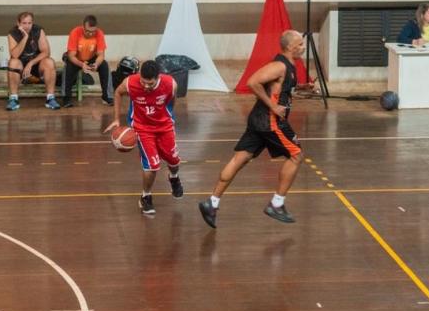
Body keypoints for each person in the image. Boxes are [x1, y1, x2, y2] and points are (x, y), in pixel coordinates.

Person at [198, 30, 305, 229]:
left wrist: (300, 89)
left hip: (259, 121)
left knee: (240, 159)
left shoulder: (289, 67)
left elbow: (277, 90)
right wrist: (272, 106)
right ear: (289, 46)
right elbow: (252, 82)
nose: (303, 47)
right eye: (299, 44)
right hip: (270, 122)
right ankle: (276, 204)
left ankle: (211, 203)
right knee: (296, 155)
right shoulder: (279, 66)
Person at [103, 60, 184, 216]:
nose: (146, 86)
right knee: (152, 166)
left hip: (165, 127)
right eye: (143, 82)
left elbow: (172, 101)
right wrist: (116, 119)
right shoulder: (130, 83)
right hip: (142, 128)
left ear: (157, 78)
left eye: (150, 84)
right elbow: (118, 93)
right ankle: (145, 196)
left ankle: (174, 177)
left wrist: (167, 114)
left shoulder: (170, 84)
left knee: (174, 161)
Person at [6, 12, 59, 111]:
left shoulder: (38, 30)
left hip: (35, 64)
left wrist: (31, 63)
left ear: (32, 23)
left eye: (29, 23)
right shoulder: (12, 33)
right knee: (13, 62)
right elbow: (15, 55)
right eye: (24, 23)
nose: (27, 26)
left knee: (49, 62)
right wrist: (25, 37)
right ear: (18, 23)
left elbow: (46, 52)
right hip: (21, 65)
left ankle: (50, 98)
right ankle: (13, 99)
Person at [62, 15, 114, 108]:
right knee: (68, 68)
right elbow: (71, 56)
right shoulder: (75, 32)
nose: (90, 34)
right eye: (88, 31)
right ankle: (66, 98)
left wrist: (96, 64)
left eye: (93, 32)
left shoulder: (99, 33)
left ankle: (107, 96)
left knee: (104, 65)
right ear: (83, 26)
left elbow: (101, 54)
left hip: (91, 58)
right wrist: (82, 64)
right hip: (77, 58)